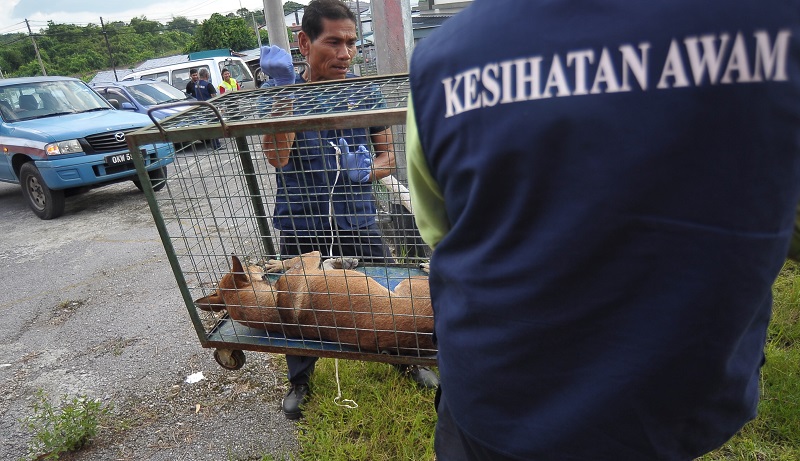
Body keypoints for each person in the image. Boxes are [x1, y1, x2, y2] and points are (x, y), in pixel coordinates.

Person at [406, 1, 800, 460]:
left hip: (493, 401)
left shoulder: (440, 60)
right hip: (668, 406)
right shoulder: (775, 26)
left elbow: (440, 229)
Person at [259, 0, 439, 421]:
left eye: (352, 43)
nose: (345, 53)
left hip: (358, 215)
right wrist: (285, 96)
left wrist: (365, 171)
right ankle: (300, 379)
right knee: (296, 302)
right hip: (302, 220)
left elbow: (387, 156)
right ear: (304, 43)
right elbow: (277, 157)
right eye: (333, 42)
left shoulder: (362, 91)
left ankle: (406, 361)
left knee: (387, 292)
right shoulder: (278, 92)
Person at [194, 68, 220, 149]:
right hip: (210, 108)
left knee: (210, 126)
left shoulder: (196, 84)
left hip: (202, 108)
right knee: (215, 126)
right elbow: (214, 97)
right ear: (206, 75)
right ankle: (216, 145)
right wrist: (218, 108)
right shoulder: (208, 85)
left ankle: (213, 144)